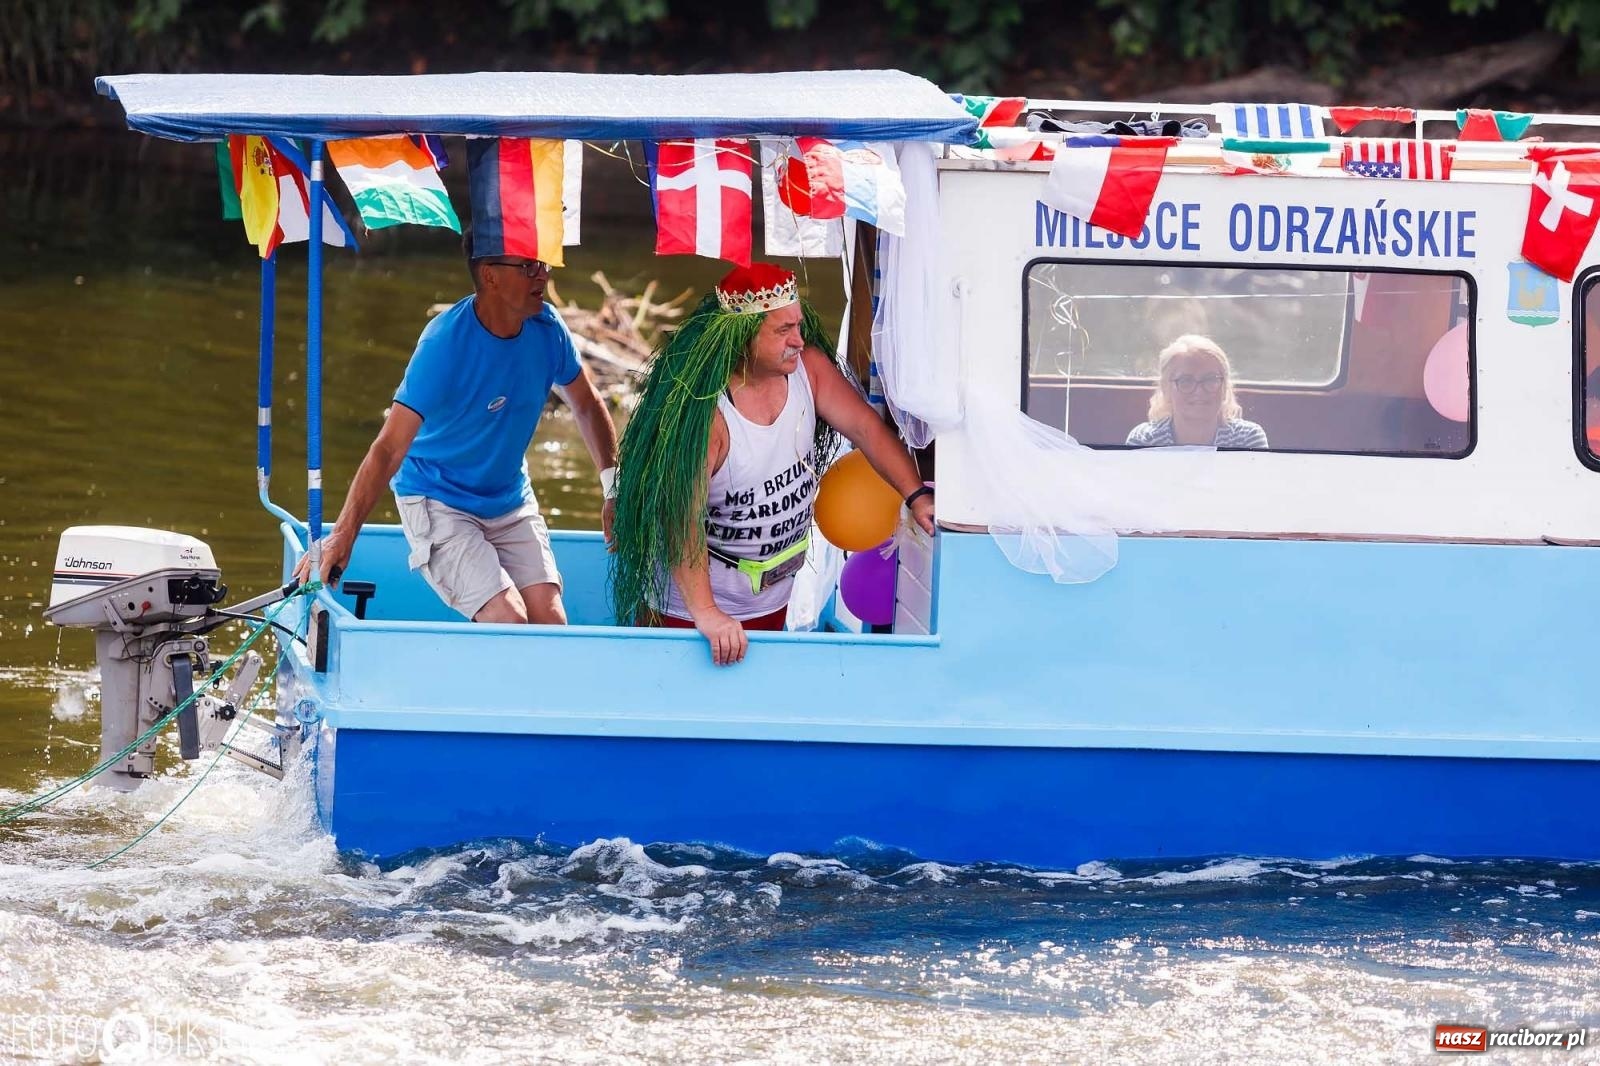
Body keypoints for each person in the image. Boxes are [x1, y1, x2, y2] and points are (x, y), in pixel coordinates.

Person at [610, 263, 935, 666]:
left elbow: (866, 429)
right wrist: (708, 613)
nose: (799, 341)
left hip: (772, 595)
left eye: (798, 326)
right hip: (690, 611)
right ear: (744, 337)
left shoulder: (809, 371)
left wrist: (915, 493)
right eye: (783, 331)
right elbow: (681, 518)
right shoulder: (709, 416)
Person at [294, 230, 619, 624]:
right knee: (509, 620)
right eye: (529, 266)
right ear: (490, 276)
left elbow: (586, 404)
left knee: (552, 623)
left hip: (508, 498)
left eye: (544, 263)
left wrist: (612, 488)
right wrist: (344, 534)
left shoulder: (548, 330)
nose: (543, 275)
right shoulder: (444, 344)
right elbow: (389, 449)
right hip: (437, 498)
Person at [1125, 334, 1268, 448]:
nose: (1199, 391)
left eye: (1210, 379)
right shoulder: (1143, 440)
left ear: (1225, 387)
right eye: (1186, 381)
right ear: (1165, 388)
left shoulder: (1248, 438)